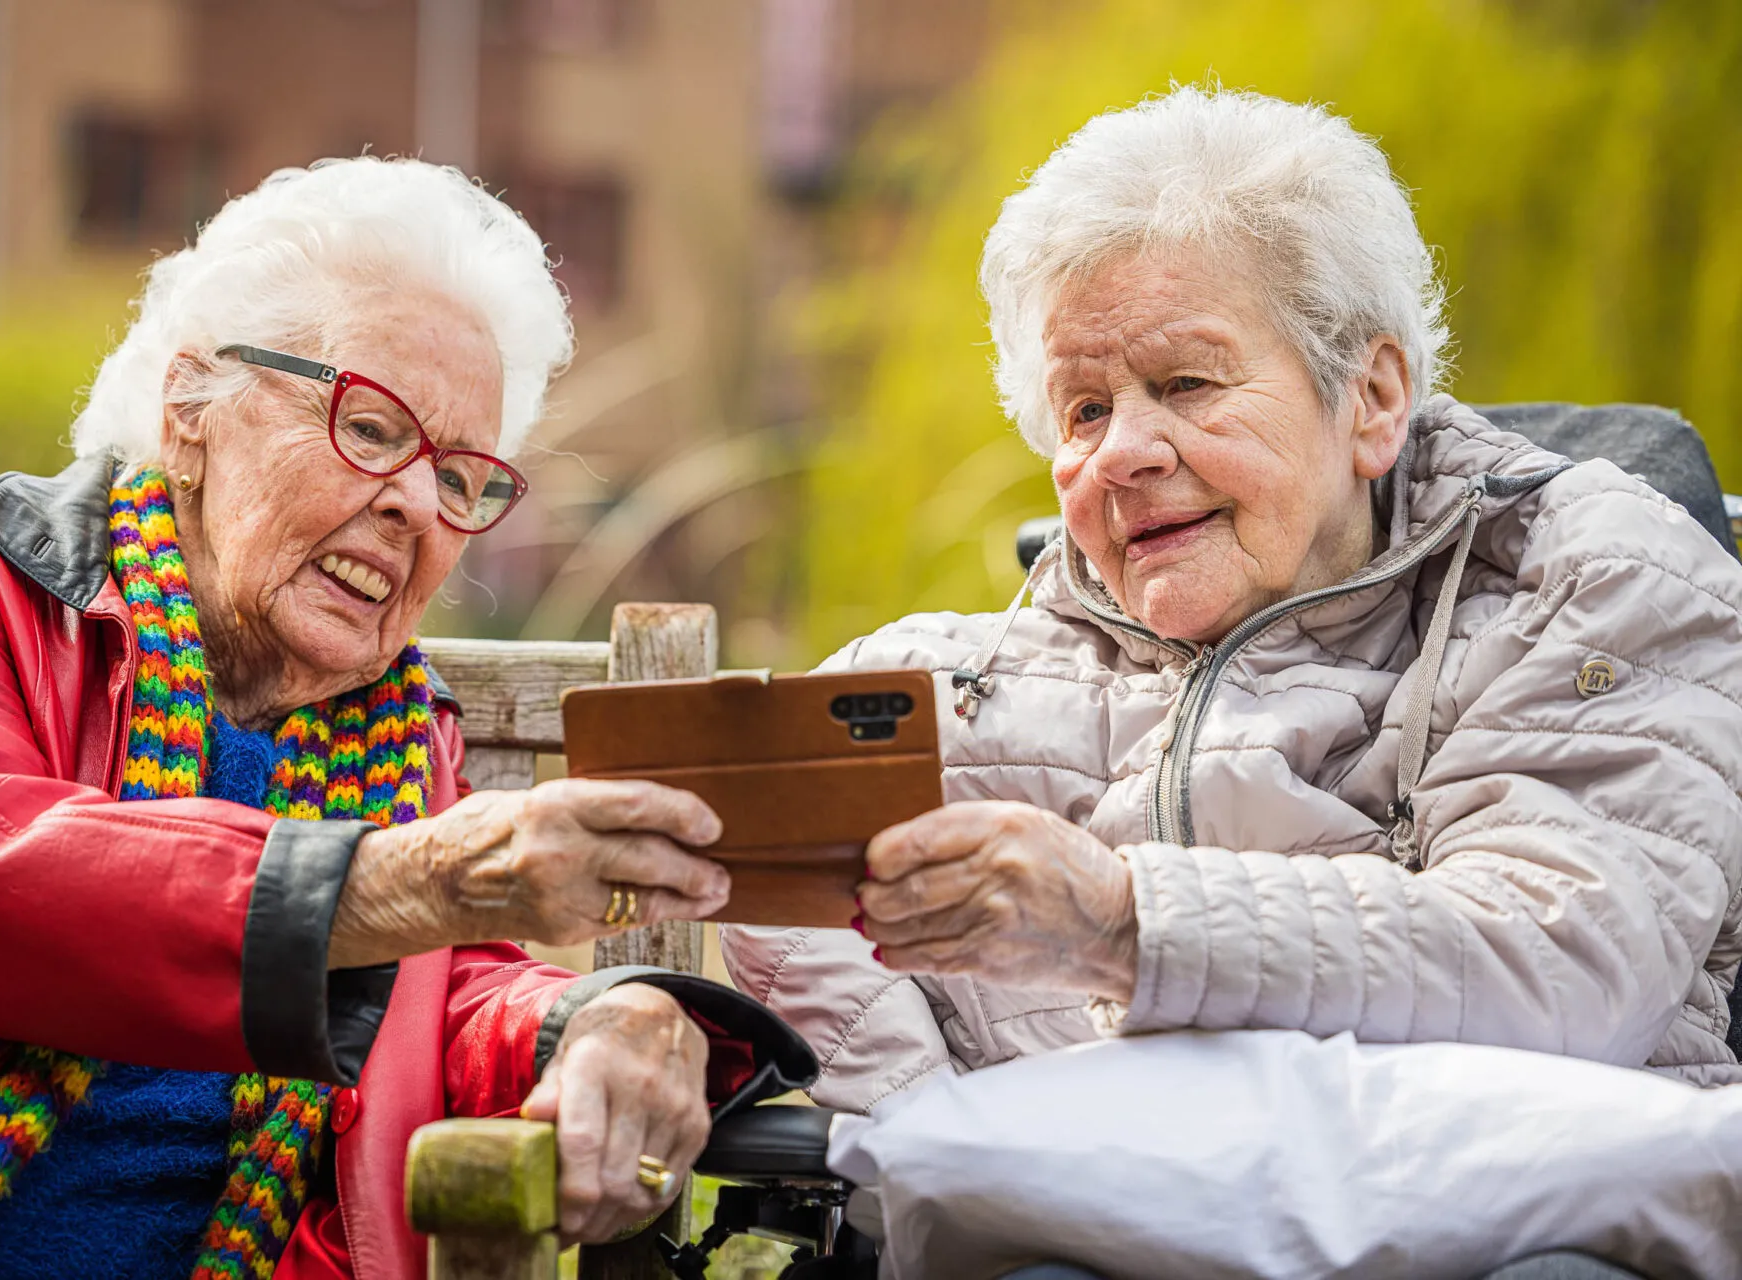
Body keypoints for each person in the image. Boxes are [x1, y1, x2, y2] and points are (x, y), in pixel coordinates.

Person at [0, 157, 810, 1280]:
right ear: (189, 410)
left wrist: (602, 1017)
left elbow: (450, 990)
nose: (412, 502)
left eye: (461, 474)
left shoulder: (393, 733)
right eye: (372, 425)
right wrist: (414, 876)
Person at [723, 85, 1742, 1115]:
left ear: (1372, 396)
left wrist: (1125, 922)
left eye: (1187, 384)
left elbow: (1563, 964)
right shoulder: (951, 690)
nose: (1120, 452)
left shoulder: (1586, 579)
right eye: (1084, 408)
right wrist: (948, 1149)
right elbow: (760, 840)